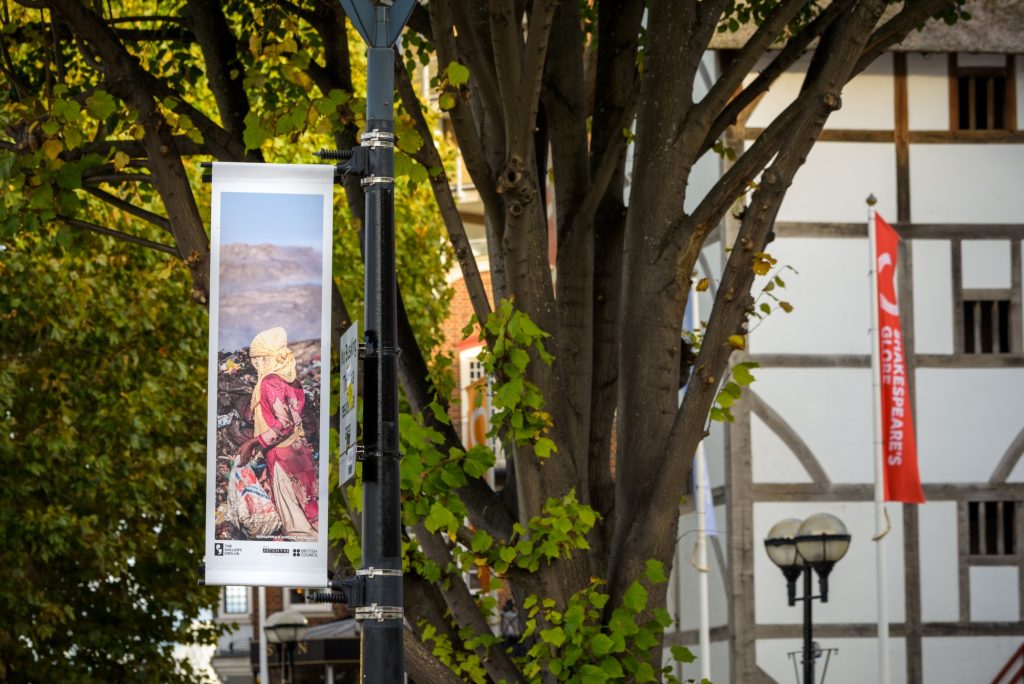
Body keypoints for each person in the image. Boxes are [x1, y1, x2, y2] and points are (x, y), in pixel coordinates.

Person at [237, 327, 318, 540]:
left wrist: (253, 442)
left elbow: (285, 424)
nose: (257, 366)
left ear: (266, 359)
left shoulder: (269, 382)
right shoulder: (293, 381)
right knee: (309, 506)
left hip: (282, 455)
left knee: (297, 526)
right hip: (299, 453)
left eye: (259, 361)